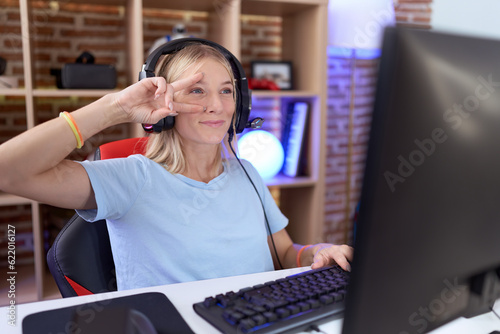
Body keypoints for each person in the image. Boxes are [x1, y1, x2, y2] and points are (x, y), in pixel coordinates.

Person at [0, 42, 353, 291]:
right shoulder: (131, 178)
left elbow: (287, 254)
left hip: (255, 319)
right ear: (164, 102)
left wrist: (320, 253)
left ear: (240, 105)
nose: (216, 105)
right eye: (197, 91)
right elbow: (8, 171)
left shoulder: (247, 172)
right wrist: (116, 108)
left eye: (227, 91)